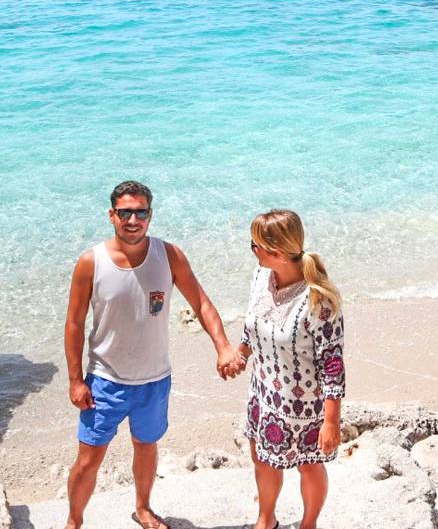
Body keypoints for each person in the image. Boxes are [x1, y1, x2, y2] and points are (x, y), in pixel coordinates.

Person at [63, 180, 244, 529]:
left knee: (146, 446)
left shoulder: (169, 255)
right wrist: (75, 380)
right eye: (125, 213)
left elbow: (201, 303)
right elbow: (74, 323)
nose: (133, 220)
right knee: (88, 459)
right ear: (112, 215)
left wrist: (223, 346)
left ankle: (143, 509)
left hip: (155, 379)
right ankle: (73, 521)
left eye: (140, 212)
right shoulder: (91, 262)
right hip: (104, 381)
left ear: (150, 215)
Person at [239, 209, 345, 529]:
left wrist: (331, 422)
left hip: (305, 406)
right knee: (262, 458)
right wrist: (240, 354)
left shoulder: (318, 301)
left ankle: (308, 524)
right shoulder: (261, 277)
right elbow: (253, 324)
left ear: (278, 252)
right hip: (264, 393)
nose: (252, 250)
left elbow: (332, 365)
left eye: (255, 245)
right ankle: (266, 519)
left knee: (308, 465)